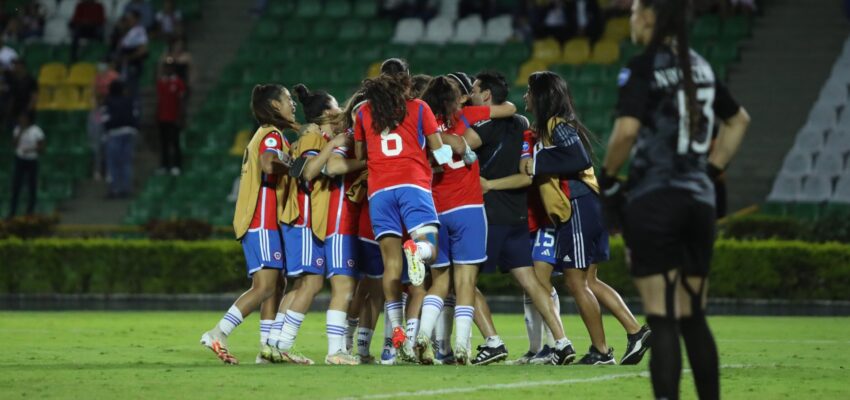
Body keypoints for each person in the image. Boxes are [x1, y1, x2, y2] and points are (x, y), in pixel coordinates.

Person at [601, 0, 749, 397]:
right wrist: (711, 170)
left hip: (655, 199)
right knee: (693, 316)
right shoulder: (698, 64)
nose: (631, 18)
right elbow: (738, 121)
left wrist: (610, 177)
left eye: (634, 11)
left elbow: (626, 133)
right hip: (698, 201)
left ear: (648, 16)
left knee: (662, 318)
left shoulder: (642, 65)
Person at [523, 70, 651, 366]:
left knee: (576, 281)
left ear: (542, 95)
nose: (526, 97)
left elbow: (579, 159)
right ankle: (636, 332)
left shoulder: (556, 125)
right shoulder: (552, 127)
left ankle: (601, 351)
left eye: (530, 91)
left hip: (578, 205)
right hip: (587, 205)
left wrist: (537, 162)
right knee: (589, 280)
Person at [415, 73, 518, 365]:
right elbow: (510, 108)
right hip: (468, 208)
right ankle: (462, 346)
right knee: (465, 283)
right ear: (455, 98)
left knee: (438, 282)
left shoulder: (422, 125)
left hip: (434, 210)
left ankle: (422, 335)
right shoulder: (468, 113)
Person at [352, 72, 453, 359]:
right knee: (430, 250)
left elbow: (361, 152)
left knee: (391, 267)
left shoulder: (362, 112)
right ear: (404, 87)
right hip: (412, 185)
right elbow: (438, 148)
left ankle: (394, 338)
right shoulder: (420, 107)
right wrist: (454, 161)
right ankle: (416, 248)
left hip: (379, 192)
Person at [199, 83, 296, 365]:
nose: (293, 104)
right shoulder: (270, 135)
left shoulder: (263, 135)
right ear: (275, 105)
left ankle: (267, 350)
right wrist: (293, 165)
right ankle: (219, 332)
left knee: (275, 284)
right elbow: (268, 163)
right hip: (262, 219)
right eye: (288, 99)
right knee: (266, 286)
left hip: (260, 220)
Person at [100, 80, 138, 198]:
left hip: (114, 134)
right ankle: (126, 189)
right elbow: (135, 115)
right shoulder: (129, 100)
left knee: (113, 163)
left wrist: (106, 130)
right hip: (129, 132)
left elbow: (104, 118)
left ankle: (115, 189)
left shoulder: (108, 102)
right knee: (126, 163)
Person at [7, 112, 44, 218]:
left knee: (32, 186)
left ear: (28, 119)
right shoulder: (17, 130)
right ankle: (12, 211)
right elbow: (14, 144)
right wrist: (20, 133)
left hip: (32, 160)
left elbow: (41, 148)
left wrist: (30, 150)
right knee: (16, 186)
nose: (21, 120)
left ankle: (30, 211)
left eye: (23, 118)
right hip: (20, 159)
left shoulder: (36, 131)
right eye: (20, 118)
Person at [155, 61, 186, 176]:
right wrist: (157, 115)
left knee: (175, 143)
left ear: (173, 68)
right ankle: (164, 165)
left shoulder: (178, 83)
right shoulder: (161, 82)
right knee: (164, 143)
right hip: (162, 118)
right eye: (165, 67)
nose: (167, 69)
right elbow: (159, 100)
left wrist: (181, 117)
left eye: (169, 67)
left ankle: (177, 165)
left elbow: (182, 101)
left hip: (174, 118)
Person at [117, 11, 148, 99]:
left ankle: (135, 108)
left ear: (136, 19)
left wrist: (129, 57)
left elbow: (143, 50)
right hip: (124, 63)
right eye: (128, 19)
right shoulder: (127, 31)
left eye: (131, 18)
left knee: (132, 87)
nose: (129, 20)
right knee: (124, 86)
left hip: (133, 63)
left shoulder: (139, 30)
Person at [6, 59, 37, 128]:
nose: (14, 67)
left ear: (22, 66)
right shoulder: (13, 80)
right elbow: (12, 97)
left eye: (16, 65)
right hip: (15, 111)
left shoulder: (30, 80)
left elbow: (34, 97)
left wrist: (27, 112)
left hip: (26, 110)